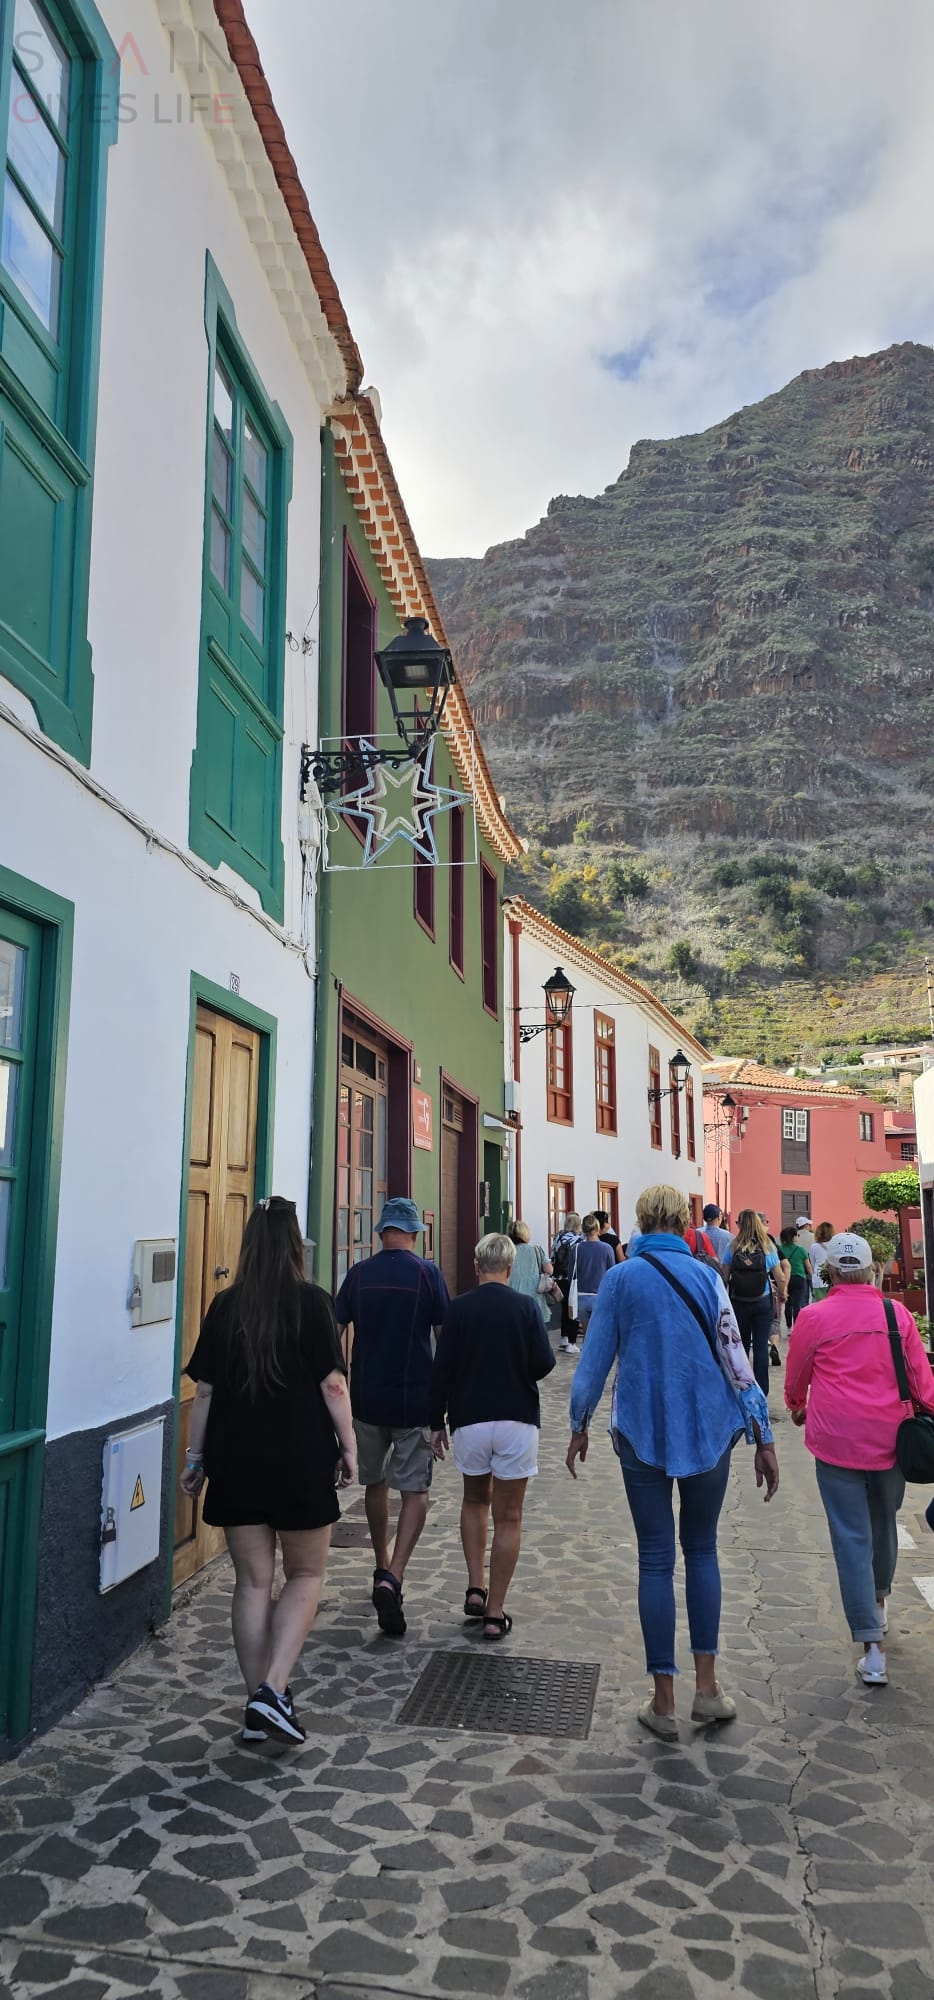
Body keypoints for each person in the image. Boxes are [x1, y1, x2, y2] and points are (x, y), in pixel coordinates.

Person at [566, 1184, 778, 1740]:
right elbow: (737, 1358)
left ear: (640, 1221)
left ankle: (662, 1700)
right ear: (684, 1222)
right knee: (702, 1550)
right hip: (709, 1425)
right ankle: (707, 1690)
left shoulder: (621, 1279)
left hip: (641, 1428)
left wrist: (579, 1423)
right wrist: (762, 1434)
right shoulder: (708, 1278)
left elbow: (594, 1361)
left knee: (655, 1560)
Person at [180, 1196, 356, 1745]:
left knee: (252, 1582)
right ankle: (273, 1690)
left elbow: (204, 1392)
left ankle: (258, 1702)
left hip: (237, 1460)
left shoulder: (225, 1305)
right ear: (294, 1245)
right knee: (305, 1575)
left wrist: (194, 1458)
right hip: (301, 1459)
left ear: (250, 1245)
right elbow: (333, 1386)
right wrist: (349, 1447)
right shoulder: (313, 1302)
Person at [785, 1231, 934, 1687]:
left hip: (837, 1440)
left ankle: (872, 1648)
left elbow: (798, 1374)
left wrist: (797, 1405)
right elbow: (921, 1381)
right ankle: (880, 1602)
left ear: (829, 1272)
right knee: (884, 1522)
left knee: (851, 1536)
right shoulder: (896, 1314)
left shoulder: (813, 1316)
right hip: (891, 1439)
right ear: (872, 1271)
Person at [334, 1197, 449, 1637]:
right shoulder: (427, 1274)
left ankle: (380, 1561)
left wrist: (336, 1383)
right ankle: (394, 1574)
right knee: (415, 1491)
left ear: (382, 1232)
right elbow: (444, 1336)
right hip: (413, 1399)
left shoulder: (359, 1274)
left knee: (374, 1483)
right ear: (415, 1234)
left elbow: (334, 1329)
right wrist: (444, 1400)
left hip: (366, 1397)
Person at [430, 1233, 556, 1639]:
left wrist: (435, 1421)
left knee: (473, 1500)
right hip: (516, 1418)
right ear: (509, 1267)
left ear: (476, 1266)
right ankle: (495, 1612)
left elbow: (442, 1369)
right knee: (509, 1515)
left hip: (470, 1418)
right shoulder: (524, 1308)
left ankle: (475, 1586)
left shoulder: (459, 1309)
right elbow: (544, 1363)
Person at [721, 1211, 786, 1395]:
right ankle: (761, 1391)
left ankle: (742, 1388)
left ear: (740, 1225)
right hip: (762, 1302)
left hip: (738, 1301)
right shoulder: (767, 1246)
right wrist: (782, 1293)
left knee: (740, 1347)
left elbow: (724, 1276)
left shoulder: (732, 1246)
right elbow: (780, 1276)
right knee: (760, 1347)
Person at [576, 1213, 615, 1333]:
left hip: (581, 1296)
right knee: (599, 1334)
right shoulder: (607, 1248)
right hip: (600, 1295)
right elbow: (612, 1274)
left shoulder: (576, 1249)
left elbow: (571, 1274)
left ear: (583, 1229)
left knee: (587, 1335)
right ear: (598, 1229)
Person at [508, 1219, 553, 1322]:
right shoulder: (536, 1250)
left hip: (513, 1298)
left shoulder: (507, 1252)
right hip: (535, 1300)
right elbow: (550, 1270)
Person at [551, 1211, 583, 1354]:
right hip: (572, 1278)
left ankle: (564, 1337)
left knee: (564, 1308)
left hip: (559, 1277)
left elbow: (552, 1256)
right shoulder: (578, 1240)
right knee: (573, 1308)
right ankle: (572, 1342)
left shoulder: (557, 1238)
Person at [779, 1225, 812, 1329]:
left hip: (785, 1278)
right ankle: (796, 1327)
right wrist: (812, 1276)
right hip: (799, 1277)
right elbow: (808, 1266)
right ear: (793, 1237)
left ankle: (789, 1327)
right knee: (797, 1303)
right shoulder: (801, 1250)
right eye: (797, 1235)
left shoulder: (779, 1249)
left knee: (787, 1303)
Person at [809, 1222, 834, 1300]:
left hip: (818, 1278)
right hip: (833, 1278)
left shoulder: (813, 1247)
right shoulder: (834, 1245)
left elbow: (812, 1264)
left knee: (819, 1303)